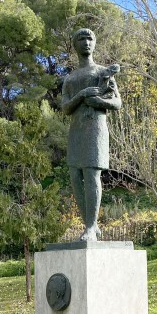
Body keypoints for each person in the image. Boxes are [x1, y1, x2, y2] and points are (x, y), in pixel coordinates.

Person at [61, 28, 121, 241]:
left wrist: (99, 102)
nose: (86, 42)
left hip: (95, 129)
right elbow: (66, 107)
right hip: (76, 131)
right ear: (75, 45)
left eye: (90, 39)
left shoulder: (103, 73)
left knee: (91, 174)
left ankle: (90, 226)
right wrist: (82, 94)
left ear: (94, 44)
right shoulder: (70, 78)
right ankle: (90, 225)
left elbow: (117, 102)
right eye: (81, 39)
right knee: (75, 177)